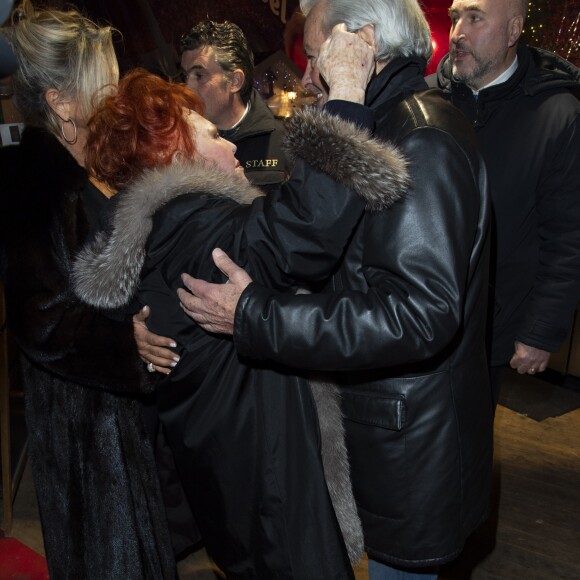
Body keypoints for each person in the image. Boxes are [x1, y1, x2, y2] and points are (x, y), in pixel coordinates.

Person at [177, 0, 494, 578]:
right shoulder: (385, 125)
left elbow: (417, 314)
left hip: (408, 448)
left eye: (316, 56)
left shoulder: (419, 138)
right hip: (388, 430)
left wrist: (258, 317)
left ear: (362, 42)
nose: (304, 77)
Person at [72, 67, 409, 578]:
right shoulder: (194, 221)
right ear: (172, 149)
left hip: (228, 467)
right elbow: (304, 234)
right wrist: (344, 99)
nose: (230, 147)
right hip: (266, 471)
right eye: (210, 135)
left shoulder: (144, 224)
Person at [0, 3, 175, 578]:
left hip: (117, 418)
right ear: (59, 101)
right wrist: (126, 344)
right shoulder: (36, 183)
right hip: (84, 433)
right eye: (99, 78)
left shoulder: (89, 165)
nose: (113, 88)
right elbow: (38, 319)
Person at [430, 0, 580, 407]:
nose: (457, 32)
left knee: (466, 457)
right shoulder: (426, 103)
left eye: (475, 18)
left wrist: (540, 331)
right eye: (455, 18)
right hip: (412, 320)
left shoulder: (558, 115)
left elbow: (568, 237)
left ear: (514, 31)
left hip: (489, 333)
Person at [180, 19, 290, 192]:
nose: (187, 88)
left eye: (199, 76)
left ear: (234, 81)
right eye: (185, 76)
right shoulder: (181, 148)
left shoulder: (287, 142)